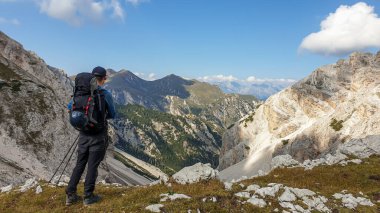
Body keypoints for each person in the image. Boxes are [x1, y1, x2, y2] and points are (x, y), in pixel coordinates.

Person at [65, 66, 116, 206]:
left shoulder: (80, 93)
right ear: (103, 78)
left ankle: (70, 194)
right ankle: (88, 196)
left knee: (80, 164)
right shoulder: (105, 94)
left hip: (83, 134)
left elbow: (70, 108)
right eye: (105, 78)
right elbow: (112, 114)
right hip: (98, 135)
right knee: (93, 166)